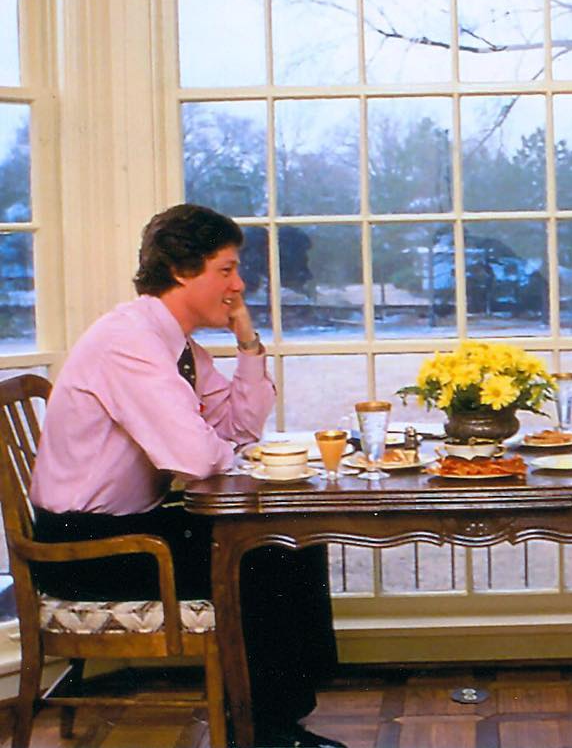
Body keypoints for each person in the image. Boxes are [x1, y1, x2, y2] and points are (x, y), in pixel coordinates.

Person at [29, 204, 345, 748]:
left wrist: (247, 341)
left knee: (292, 535)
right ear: (180, 271)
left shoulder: (176, 345)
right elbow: (196, 458)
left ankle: (279, 716)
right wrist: (229, 454)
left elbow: (239, 426)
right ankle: (263, 732)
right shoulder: (129, 344)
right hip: (85, 550)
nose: (239, 285)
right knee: (264, 554)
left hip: (130, 529)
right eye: (226, 270)